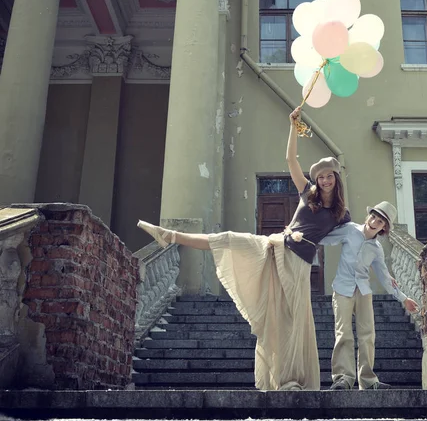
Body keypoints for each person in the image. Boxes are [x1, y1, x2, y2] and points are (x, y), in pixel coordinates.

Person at [137, 106, 350, 391]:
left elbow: (357, 235)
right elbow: (290, 160)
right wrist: (292, 125)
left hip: (299, 267)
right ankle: (172, 235)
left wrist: (378, 231)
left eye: (329, 176)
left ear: (336, 179)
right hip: (277, 247)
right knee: (228, 239)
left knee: (290, 324)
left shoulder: (340, 214)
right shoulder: (306, 193)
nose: (324, 180)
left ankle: (288, 380)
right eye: (321, 176)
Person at [319, 201, 419, 390]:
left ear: (383, 228)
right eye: (373, 216)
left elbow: (385, 276)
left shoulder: (376, 249)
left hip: (363, 292)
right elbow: (327, 238)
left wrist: (404, 298)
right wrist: (302, 236)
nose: (374, 222)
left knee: (367, 335)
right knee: (344, 333)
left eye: (380, 221)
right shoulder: (349, 230)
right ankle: (343, 378)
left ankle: (368, 380)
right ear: (368, 216)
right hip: (342, 289)